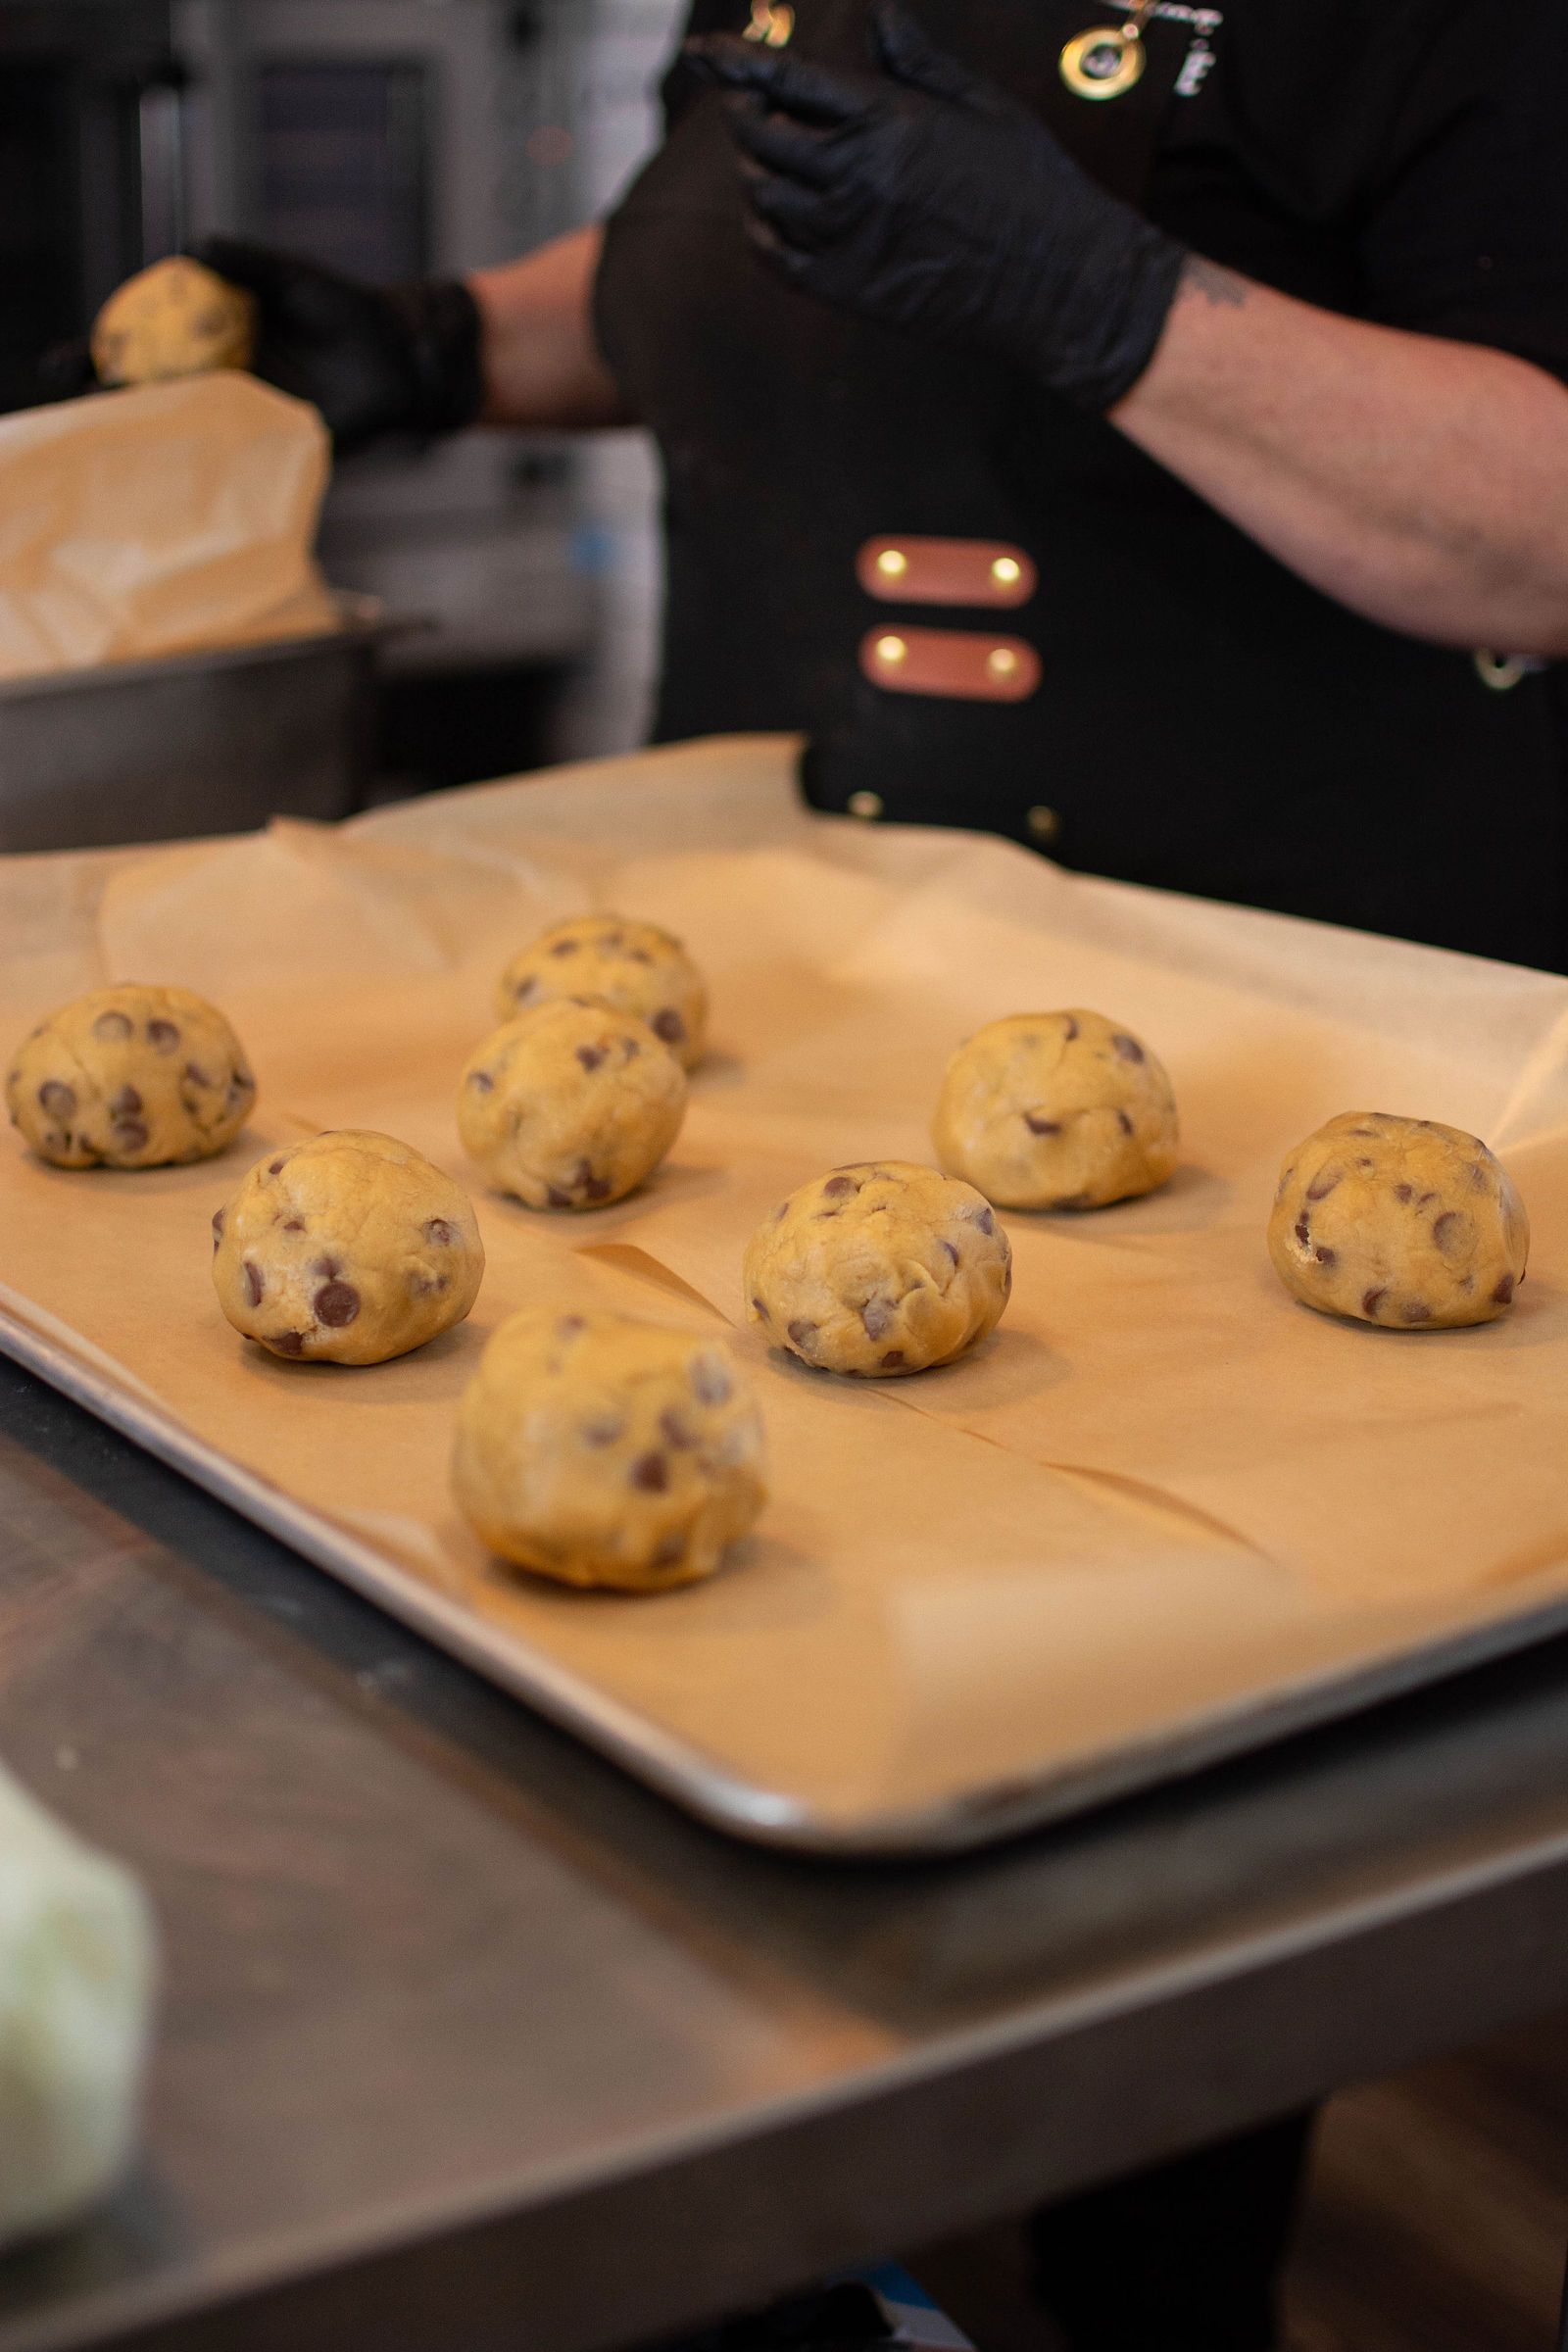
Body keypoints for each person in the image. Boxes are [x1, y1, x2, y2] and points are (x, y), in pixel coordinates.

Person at [183, 4, 1568, 2341]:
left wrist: (1119, 307)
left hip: (1244, 1064)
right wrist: (442, 343)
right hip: (796, 996)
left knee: (1141, 1804)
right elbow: (745, 279)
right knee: (733, 1767)